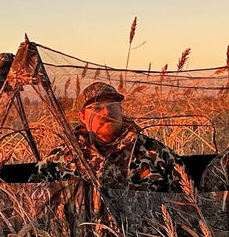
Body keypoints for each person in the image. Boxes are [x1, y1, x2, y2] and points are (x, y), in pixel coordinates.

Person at [34, 82, 179, 191]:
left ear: (121, 110)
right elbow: (33, 202)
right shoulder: (58, 159)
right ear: (83, 117)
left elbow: (188, 204)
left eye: (112, 105)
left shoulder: (156, 153)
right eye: (97, 108)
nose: (106, 112)